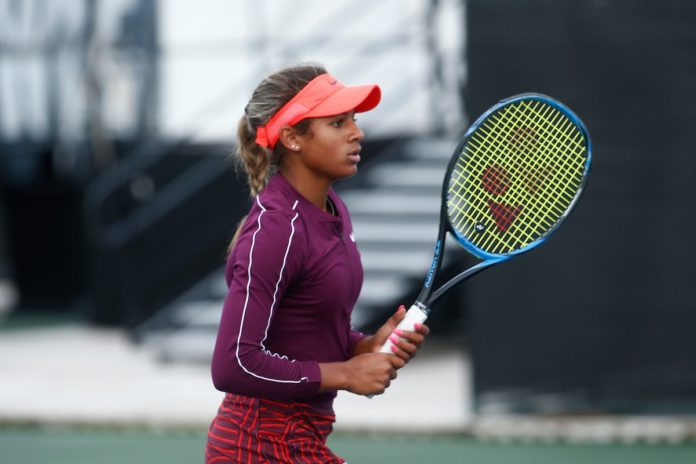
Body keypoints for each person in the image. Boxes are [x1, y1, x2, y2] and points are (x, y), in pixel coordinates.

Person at [205, 64, 430, 464]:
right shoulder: (275, 231)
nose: (357, 133)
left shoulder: (332, 208)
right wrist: (346, 374)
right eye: (337, 123)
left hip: (299, 440)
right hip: (255, 447)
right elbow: (233, 364)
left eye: (354, 119)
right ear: (292, 138)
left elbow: (302, 329)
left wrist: (361, 346)